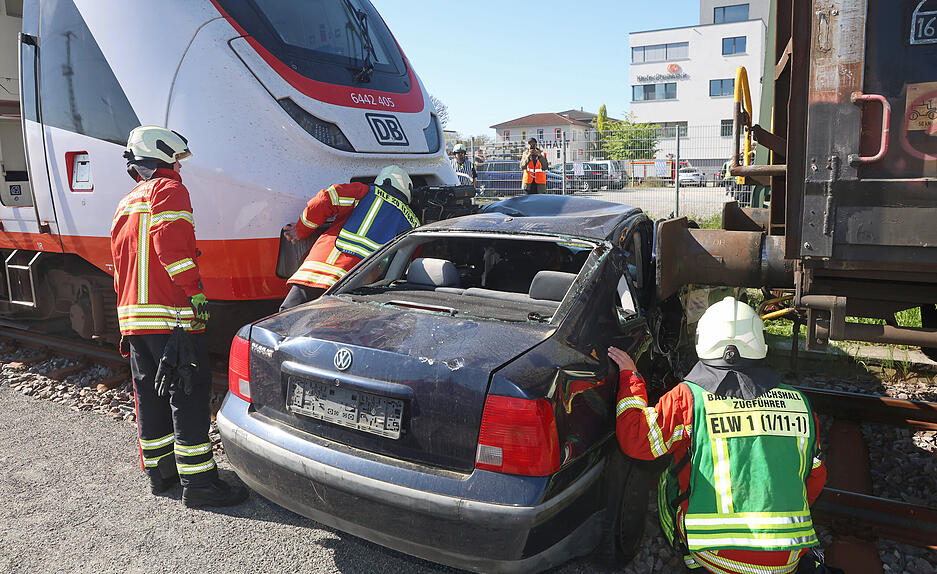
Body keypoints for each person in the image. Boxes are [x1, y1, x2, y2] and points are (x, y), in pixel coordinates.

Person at [610, 296, 828, 574]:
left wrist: (630, 377)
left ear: (704, 341)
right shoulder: (799, 402)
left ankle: (686, 553)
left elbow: (636, 440)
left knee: (668, 477)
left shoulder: (688, 398)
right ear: (760, 344)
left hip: (717, 556)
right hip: (787, 559)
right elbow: (816, 476)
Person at [111, 125, 248, 507]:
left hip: (134, 321)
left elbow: (121, 267)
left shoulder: (125, 203)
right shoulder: (169, 190)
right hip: (172, 319)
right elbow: (170, 247)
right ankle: (200, 485)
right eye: (176, 161)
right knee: (187, 396)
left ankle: (161, 475)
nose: (180, 169)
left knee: (150, 397)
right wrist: (195, 292)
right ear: (165, 157)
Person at [280, 165, 421, 311]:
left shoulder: (365, 192)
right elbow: (404, 266)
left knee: (285, 322)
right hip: (355, 286)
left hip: (315, 273)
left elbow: (326, 198)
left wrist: (301, 229)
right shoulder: (413, 223)